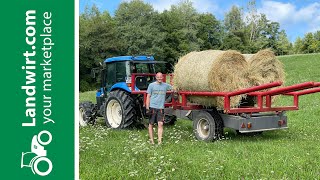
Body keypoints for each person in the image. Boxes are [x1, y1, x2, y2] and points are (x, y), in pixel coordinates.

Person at [146, 72, 172, 145]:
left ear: (162, 78)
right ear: (156, 77)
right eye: (158, 77)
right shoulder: (151, 85)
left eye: (161, 77)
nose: (159, 78)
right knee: (151, 124)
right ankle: (152, 141)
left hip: (160, 108)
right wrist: (147, 108)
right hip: (153, 107)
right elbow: (148, 96)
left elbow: (174, 88)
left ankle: (159, 142)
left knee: (160, 124)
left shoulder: (165, 86)